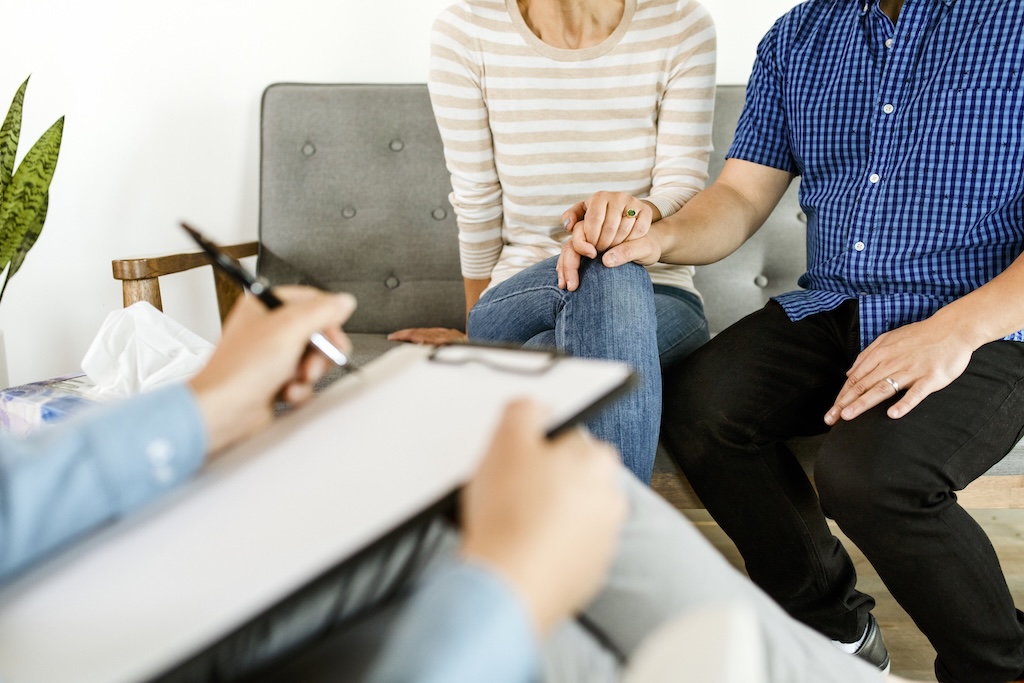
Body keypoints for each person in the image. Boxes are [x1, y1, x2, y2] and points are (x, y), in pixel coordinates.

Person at [0, 288, 905, 682]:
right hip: (88, 638)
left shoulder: (672, 28)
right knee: (536, 551)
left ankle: (581, 528)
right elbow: (481, 215)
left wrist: (200, 410)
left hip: (66, 577)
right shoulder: (475, 31)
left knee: (612, 292)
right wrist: (505, 589)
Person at [558, 0, 1024, 680]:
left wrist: (955, 329)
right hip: (839, 306)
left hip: (989, 321)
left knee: (870, 477)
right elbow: (740, 197)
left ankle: (1001, 662)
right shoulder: (798, 37)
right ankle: (829, 626)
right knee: (700, 408)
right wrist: (658, 235)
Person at [388, 0, 717, 482]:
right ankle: (618, 540)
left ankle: (583, 541)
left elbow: (683, 189)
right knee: (607, 270)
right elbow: (477, 199)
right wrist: (478, 331)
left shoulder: (679, 22)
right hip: (521, 293)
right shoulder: (468, 29)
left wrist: (626, 220)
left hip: (660, 291)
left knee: (612, 267)